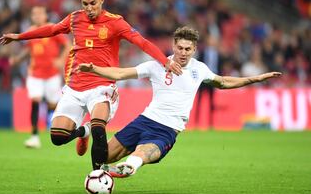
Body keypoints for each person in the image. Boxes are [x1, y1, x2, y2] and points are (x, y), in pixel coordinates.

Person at [0, 0, 182, 169]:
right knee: (57, 137)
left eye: (93, 3)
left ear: (102, 0)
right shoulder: (74, 19)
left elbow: (141, 42)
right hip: (75, 86)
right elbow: (52, 29)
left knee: (98, 127)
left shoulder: (115, 22)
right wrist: (20, 36)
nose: (89, 8)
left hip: (102, 85)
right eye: (84, 4)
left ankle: (98, 175)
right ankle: (82, 132)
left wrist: (165, 61)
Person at [77, 26, 281, 177]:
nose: (183, 53)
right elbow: (121, 73)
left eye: (188, 49)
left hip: (167, 130)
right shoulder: (157, 65)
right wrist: (94, 68)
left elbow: (224, 82)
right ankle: (87, 135)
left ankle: (129, 167)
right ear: (173, 46)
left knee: (139, 157)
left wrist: (255, 79)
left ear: (194, 50)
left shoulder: (199, 69)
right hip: (144, 121)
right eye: (180, 48)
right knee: (102, 158)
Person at [9, 6, 71, 148]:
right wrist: (18, 60)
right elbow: (28, 50)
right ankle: (34, 136)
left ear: (45, 15)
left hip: (51, 74)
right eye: (34, 14)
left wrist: (61, 59)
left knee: (52, 104)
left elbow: (67, 45)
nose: (36, 16)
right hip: (35, 73)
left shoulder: (52, 29)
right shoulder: (31, 31)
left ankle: (61, 127)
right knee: (35, 100)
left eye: (39, 13)